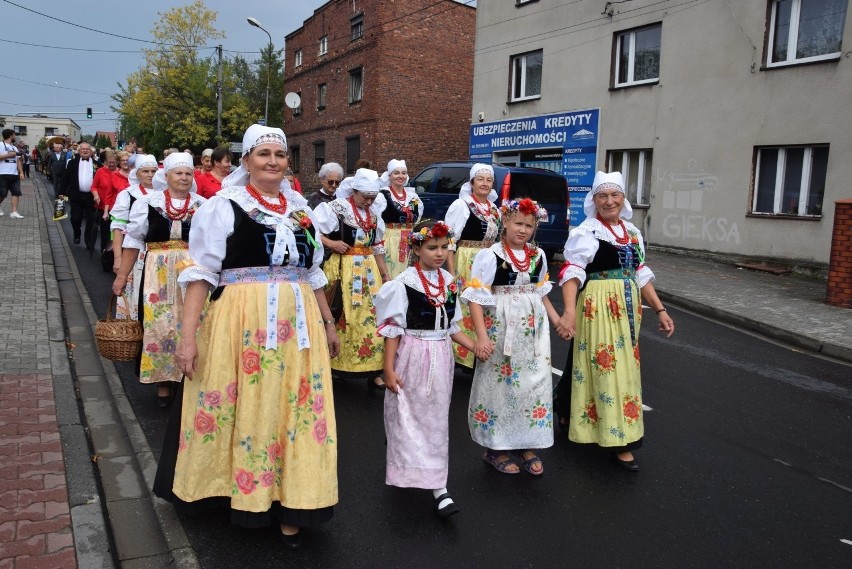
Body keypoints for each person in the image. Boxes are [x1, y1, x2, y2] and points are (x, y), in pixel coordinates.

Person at [153, 124, 340, 549]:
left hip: (300, 327)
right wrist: (187, 340)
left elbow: (312, 275)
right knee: (240, 399)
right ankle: (235, 491)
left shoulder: (300, 211)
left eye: (279, 154)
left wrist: (328, 324)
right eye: (263, 154)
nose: (273, 161)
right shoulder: (222, 206)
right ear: (246, 163)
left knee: (295, 408)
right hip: (240, 322)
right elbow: (201, 274)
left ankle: (294, 501)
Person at [556, 171, 675, 471]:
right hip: (598, 308)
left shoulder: (633, 233)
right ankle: (618, 440)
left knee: (616, 368)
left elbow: (641, 273)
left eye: (614, 195)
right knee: (606, 368)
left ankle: (565, 406)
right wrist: (569, 312)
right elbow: (572, 273)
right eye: (602, 196)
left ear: (623, 199)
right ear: (594, 200)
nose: (609, 201)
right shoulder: (587, 232)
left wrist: (660, 310)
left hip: (628, 311)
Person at [375, 220, 474, 518]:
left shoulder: (448, 282)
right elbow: (393, 329)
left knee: (435, 419)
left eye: (444, 247)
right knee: (406, 414)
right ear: (416, 248)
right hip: (412, 352)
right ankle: (406, 465)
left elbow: (452, 327)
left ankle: (437, 485)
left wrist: (475, 347)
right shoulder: (403, 284)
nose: (440, 253)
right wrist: (388, 368)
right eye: (432, 247)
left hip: (441, 355)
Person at [461, 198, 559, 475]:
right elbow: (476, 299)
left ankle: (526, 443)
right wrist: (481, 337)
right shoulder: (490, 255)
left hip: (533, 331)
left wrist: (557, 321)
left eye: (529, 225)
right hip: (501, 328)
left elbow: (540, 293)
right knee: (500, 387)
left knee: (533, 384)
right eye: (518, 223)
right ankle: (496, 447)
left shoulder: (537, 256)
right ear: (505, 221)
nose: (523, 230)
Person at [111, 152, 206, 406]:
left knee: (193, 323)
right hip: (156, 274)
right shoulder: (148, 203)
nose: (184, 177)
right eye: (179, 173)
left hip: (192, 272)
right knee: (159, 325)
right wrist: (122, 276)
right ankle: (164, 381)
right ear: (167, 176)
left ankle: (188, 378)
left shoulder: (203, 205)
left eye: (188, 173)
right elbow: (133, 241)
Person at [314, 168, 390, 390]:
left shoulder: (374, 216)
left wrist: (385, 276)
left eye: (372, 198)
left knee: (373, 319)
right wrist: (331, 243)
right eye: (365, 197)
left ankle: (373, 370)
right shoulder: (336, 209)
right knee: (343, 315)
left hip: (369, 274)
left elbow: (376, 247)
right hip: (343, 270)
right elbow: (312, 231)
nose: (368, 201)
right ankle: (337, 365)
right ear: (354, 191)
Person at [444, 163, 501, 369]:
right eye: (480, 179)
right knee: (466, 306)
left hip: (488, 260)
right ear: (472, 182)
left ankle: (481, 350)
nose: (485, 184)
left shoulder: (494, 209)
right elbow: (450, 242)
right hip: (467, 259)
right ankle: (462, 355)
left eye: (489, 180)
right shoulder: (462, 205)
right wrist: (451, 273)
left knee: (485, 306)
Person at [109, 154, 159, 321]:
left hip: (157, 258)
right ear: (137, 173)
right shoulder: (128, 195)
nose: (150, 175)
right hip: (134, 255)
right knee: (135, 295)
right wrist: (118, 258)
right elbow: (118, 228)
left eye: (153, 171)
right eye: (145, 171)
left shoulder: (163, 194)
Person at [375, 159, 422, 279]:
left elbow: (417, 218)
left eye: (403, 173)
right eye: (396, 173)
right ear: (389, 176)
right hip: (391, 241)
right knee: (393, 274)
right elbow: (376, 219)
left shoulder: (413, 196)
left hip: (411, 242)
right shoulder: (383, 195)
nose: (400, 176)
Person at [60, 142, 100, 248]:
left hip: (91, 197)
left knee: (90, 220)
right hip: (76, 195)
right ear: (79, 151)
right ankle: (77, 233)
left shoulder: (97, 164)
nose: (85, 151)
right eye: (83, 149)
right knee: (75, 218)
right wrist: (61, 192)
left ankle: (88, 241)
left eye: (88, 149)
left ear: (91, 152)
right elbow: (65, 178)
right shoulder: (72, 163)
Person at [91, 150, 119, 268]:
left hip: (117, 209)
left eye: (114, 162)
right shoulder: (100, 172)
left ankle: (115, 257)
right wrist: (96, 195)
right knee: (105, 235)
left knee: (116, 236)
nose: (112, 164)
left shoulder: (120, 173)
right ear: (106, 161)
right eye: (110, 162)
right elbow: (94, 186)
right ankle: (105, 259)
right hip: (103, 207)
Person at [0, 129, 24, 218]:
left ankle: (14, 212)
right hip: (2, 173)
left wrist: (21, 172)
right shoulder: (0, 145)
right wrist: (9, 155)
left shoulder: (14, 147)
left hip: (14, 174)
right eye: (14, 135)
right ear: (10, 135)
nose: (15, 137)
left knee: (16, 192)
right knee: (2, 194)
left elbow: (18, 161)